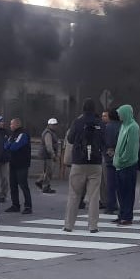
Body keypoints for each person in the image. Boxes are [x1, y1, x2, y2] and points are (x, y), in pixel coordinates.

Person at [63, 99, 105, 233]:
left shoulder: (78, 122)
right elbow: (105, 140)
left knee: (74, 194)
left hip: (79, 163)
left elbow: (70, 139)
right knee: (94, 196)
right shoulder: (100, 123)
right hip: (95, 163)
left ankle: (69, 225)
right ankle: (93, 226)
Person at [112, 104, 140, 225]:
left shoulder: (133, 127)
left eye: (120, 113)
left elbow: (130, 147)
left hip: (128, 165)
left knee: (128, 191)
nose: (119, 116)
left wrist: (123, 159)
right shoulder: (123, 125)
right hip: (119, 164)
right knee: (120, 191)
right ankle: (122, 213)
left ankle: (127, 216)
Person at [4, 118, 33, 215]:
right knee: (13, 185)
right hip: (13, 163)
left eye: (11, 124)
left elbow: (14, 147)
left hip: (22, 163)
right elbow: (6, 145)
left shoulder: (23, 134)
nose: (10, 126)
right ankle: (15, 205)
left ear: (17, 124)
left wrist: (10, 145)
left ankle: (28, 206)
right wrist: (10, 145)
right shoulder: (12, 134)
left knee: (23, 185)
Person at [102, 110, 121, 215]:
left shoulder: (108, 127)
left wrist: (107, 151)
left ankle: (110, 205)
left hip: (109, 157)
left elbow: (105, 141)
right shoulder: (121, 126)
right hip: (120, 157)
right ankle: (119, 204)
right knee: (119, 183)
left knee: (110, 184)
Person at [37, 118, 60, 193]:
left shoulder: (51, 132)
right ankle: (45, 187)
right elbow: (49, 146)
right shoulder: (48, 133)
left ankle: (40, 182)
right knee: (48, 172)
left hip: (47, 155)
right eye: (53, 125)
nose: (54, 126)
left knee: (47, 171)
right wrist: (53, 155)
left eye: (55, 125)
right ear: (49, 125)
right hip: (47, 155)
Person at [0, 115, 11, 203]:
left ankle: (3, 195)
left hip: (5, 158)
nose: (2, 123)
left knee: (5, 178)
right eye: (0, 122)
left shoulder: (6, 132)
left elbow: (10, 142)